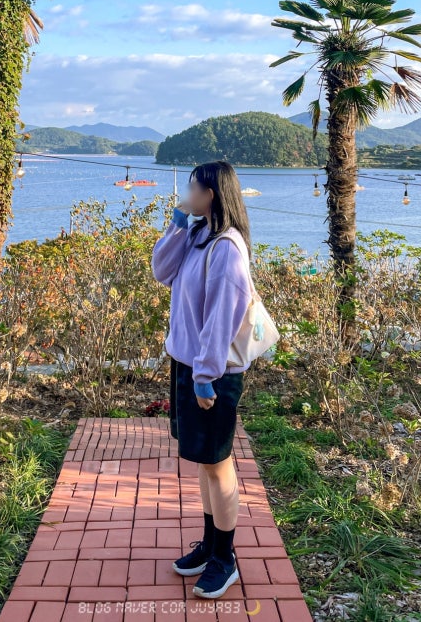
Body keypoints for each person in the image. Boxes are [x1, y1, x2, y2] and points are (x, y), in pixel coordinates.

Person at [151, 160, 253, 599]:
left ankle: (225, 560)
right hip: (188, 365)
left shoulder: (227, 247)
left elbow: (221, 318)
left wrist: (206, 377)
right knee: (204, 462)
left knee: (218, 463)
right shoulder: (196, 235)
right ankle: (210, 545)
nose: (185, 194)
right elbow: (161, 271)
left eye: (192, 188)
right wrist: (177, 224)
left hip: (212, 373)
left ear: (210, 194)